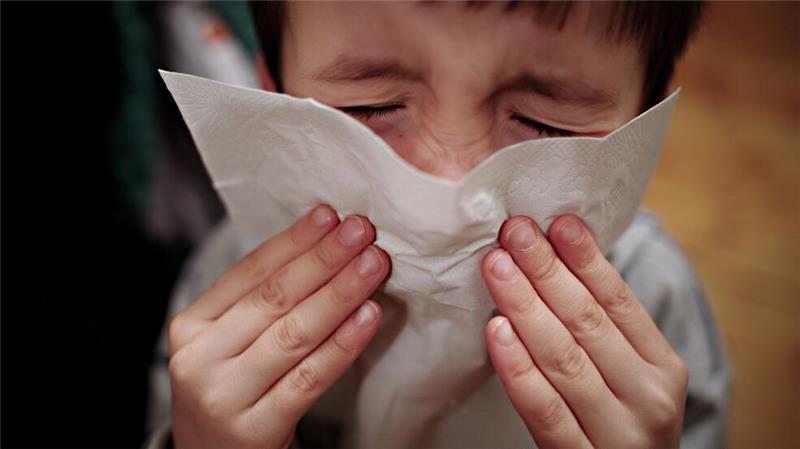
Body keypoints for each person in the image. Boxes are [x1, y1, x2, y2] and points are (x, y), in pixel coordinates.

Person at [146, 3, 730, 448]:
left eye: (543, 124)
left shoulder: (655, 303)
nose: (453, 187)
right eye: (370, 108)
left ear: (643, 127)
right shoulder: (231, 286)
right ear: (272, 97)